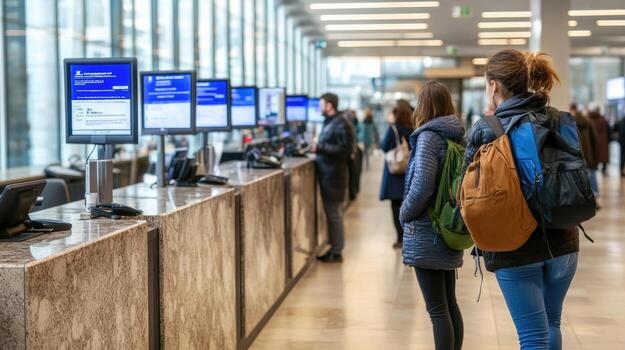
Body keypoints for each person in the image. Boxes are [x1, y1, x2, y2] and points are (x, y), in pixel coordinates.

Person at [463, 49, 580, 350]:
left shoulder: (486, 129)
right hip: (564, 238)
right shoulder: (557, 118)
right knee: (551, 323)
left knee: (531, 335)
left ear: (494, 85)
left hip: (514, 245)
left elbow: (462, 189)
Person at [400, 81, 465, 350]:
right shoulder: (456, 135)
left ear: (423, 106)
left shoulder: (428, 137)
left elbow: (422, 186)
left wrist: (404, 213)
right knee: (449, 303)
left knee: (437, 310)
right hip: (447, 225)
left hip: (428, 230)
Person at [313, 93, 356, 263]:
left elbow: (345, 150)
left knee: (334, 214)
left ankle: (336, 251)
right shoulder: (333, 121)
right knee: (333, 213)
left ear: (329, 105)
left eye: (321, 104)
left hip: (334, 175)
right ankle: (335, 248)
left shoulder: (341, 123)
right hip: (329, 174)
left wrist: (320, 147)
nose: (320, 107)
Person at [379, 103, 413, 249]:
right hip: (408, 172)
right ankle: (408, 236)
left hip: (394, 173)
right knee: (407, 206)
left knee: (395, 206)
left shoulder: (392, 129)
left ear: (396, 115)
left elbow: (384, 146)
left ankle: (400, 238)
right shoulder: (412, 129)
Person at [571, 103, 598, 195]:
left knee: (580, 174)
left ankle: (583, 194)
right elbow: (594, 138)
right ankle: (594, 191)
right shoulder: (588, 122)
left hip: (576, 151)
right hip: (588, 152)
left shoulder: (571, 122)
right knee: (591, 172)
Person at [588, 107, 611, 175]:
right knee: (604, 156)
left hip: (594, 140)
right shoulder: (603, 120)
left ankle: (594, 168)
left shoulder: (589, 120)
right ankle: (604, 170)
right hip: (603, 141)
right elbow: (609, 130)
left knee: (595, 154)